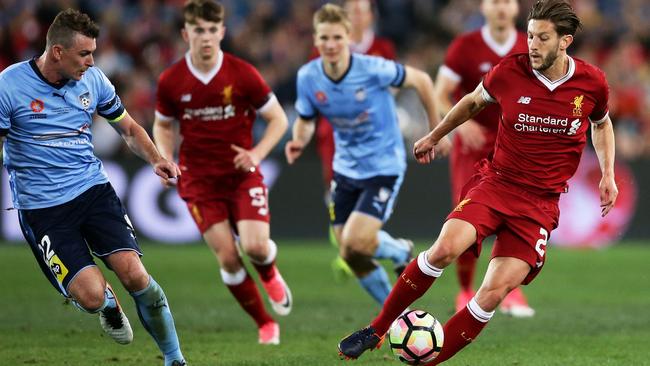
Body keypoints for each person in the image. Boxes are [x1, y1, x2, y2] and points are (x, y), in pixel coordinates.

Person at [338, 0, 617, 363]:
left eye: (542, 38)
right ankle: (376, 329)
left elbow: (602, 123)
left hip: (540, 203)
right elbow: (471, 102)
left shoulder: (591, 82)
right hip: (497, 183)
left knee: (493, 291)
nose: (532, 44)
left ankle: (428, 360)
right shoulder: (509, 71)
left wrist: (608, 173)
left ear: (565, 41)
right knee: (443, 249)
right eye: (530, 35)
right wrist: (435, 135)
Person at [0, 9, 186, 366]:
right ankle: (105, 302)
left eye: (93, 53)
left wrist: (156, 158)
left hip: (92, 191)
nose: (91, 61)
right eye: (84, 54)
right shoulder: (10, 86)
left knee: (135, 273)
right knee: (89, 297)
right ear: (58, 52)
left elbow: (129, 129)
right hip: (43, 210)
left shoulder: (95, 81)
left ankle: (174, 358)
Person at [285, 3, 451, 307]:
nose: (331, 45)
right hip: (345, 170)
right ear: (315, 40)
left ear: (348, 37)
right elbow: (307, 121)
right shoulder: (308, 76)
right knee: (350, 252)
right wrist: (298, 140)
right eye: (324, 38)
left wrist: (434, 132)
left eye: (337, 37)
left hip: (383, 165)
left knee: (357, 241)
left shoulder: (372, 67)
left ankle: (394, 305)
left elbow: (422, 81)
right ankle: (396, 298)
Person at [153, 0, 292, 346]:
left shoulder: (242, 72)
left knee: (257, 247)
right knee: (229, 258)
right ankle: (264, 322)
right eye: (199, 30)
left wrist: (256, 154)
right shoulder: (171, 80)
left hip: (241, 175)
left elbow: (278, 119)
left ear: (222, 32)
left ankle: (270, 272)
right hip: (199, 181)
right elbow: (163, 125)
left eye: (213, 29)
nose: (206, 37)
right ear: (186, 33)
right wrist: (165, 157)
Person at [434, 0, 533, 316]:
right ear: (484, 8)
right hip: (472, 146)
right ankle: (465, 290)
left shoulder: (527, 44)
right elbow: (439, 93)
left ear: (516, 8)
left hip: (514, 145)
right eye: (495, 1)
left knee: (516, 218)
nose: (502, 7)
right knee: (466, 219)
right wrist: (463, 129)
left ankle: (509, 290)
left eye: (507, 1)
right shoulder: (465, 46)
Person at [309, 0, 404, 282]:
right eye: (352, 12)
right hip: (336, 138)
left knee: (363, 217)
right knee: (336, 203)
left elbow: (395, 86)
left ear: (370, 16)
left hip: (376, 141)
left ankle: (355, 251)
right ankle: (353, 251)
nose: (357, 17)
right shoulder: (328, 47)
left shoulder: (382, 47)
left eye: (362, 11)